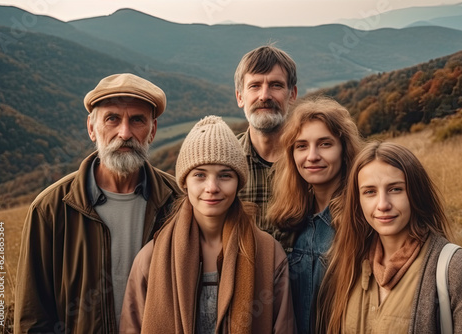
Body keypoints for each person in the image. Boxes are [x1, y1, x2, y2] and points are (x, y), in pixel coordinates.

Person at [14, 73, 181, 333]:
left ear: (152, 131)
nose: (124, 133)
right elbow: (32, 318)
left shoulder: (178, 202)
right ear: (92, 128)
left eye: (137, 120)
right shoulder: (51, 209)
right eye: (112, 118)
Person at [120, 116, 296, 333]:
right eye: (200, 175)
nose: (212, 187)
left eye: (225, 175)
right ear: (184, 183)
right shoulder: (151, 259)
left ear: (238, 183)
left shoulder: (269, 254)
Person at [316, 141, 462, 333]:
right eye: (370, 192)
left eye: (395, 189)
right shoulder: (348, 265)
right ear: (358, 201)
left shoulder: (455, 269)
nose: (383, 204)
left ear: (416, 193)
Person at [266, 97, 363, 334]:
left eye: (324, 144)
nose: (312, 156)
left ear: (344, 150)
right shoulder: (290, 221)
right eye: (301, 146)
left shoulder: (361, 219)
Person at [234, 44, 298, 232]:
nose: (264, 96)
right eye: (254, 86)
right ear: (240, 97)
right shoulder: (225, 164)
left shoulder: (312, 161)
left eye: (276, 85)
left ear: (292, 94)